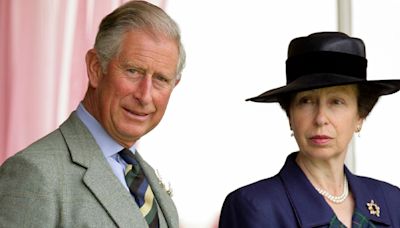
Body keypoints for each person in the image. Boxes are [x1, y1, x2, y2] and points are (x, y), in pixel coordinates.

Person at [0, 1, 185, 227]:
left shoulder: (148, 182)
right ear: (96, 68)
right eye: (133, 71)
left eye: (160, 79)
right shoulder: (34, 174)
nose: (145, 95)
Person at [219, 32, 400, 227]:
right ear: (290, 115)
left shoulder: (392, 202)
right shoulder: (254, 206)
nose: (321, 118)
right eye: (306, 101)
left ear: (360, 115)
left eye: (336, 102)